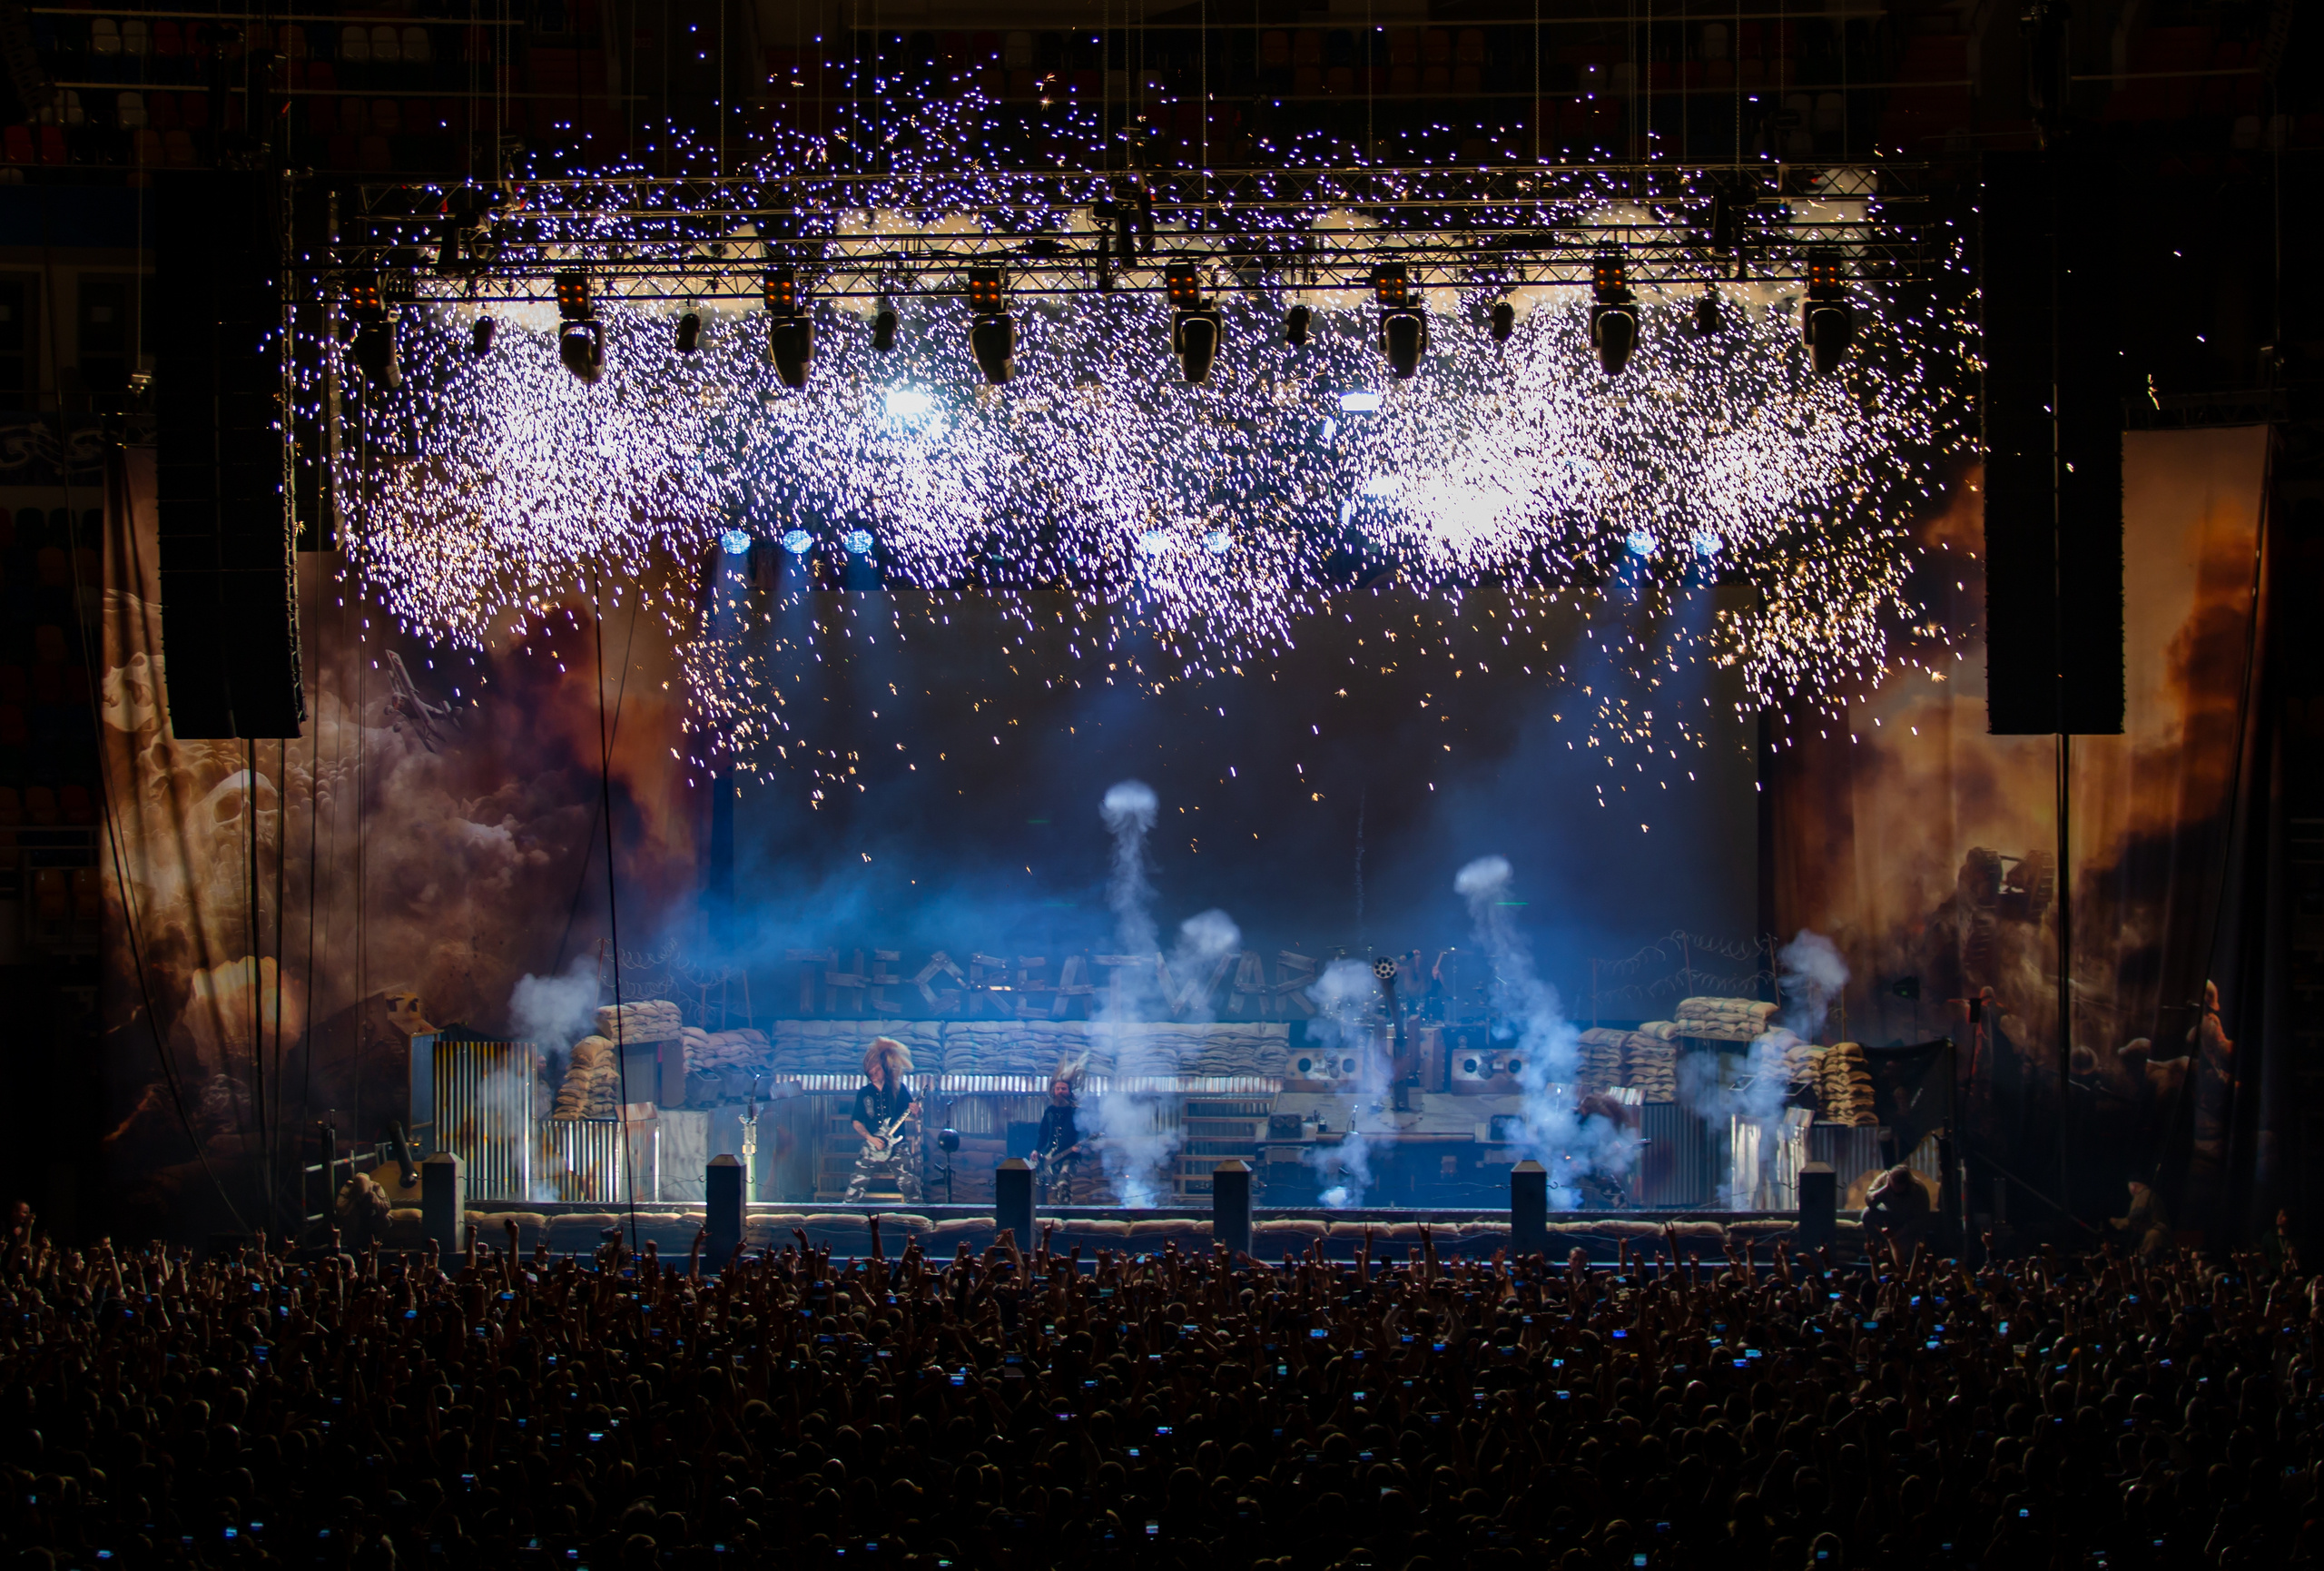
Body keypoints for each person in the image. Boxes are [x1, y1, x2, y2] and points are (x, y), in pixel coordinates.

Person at [843, 1035, 920, 1202]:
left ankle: (919, 1218)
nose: (873, 1073)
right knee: (855, 1186)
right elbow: (856, 1121)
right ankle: (845, 1215)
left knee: (910, 1186)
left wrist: (916, 1110)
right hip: (872, 1144)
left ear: (884, 1068)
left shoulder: (899, 1089)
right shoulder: (864, 1093)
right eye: (870, 1071)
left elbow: (915, 1113)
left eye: (876, 1069)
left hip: (897, 1145)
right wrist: (871, 1138)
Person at [1035, 1056, 1087, 1204]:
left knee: (1063, 1183)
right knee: (1056, 1188)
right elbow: (1043, 1133)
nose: (1060, 1091)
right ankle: (1059, 1216)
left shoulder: (1076, 1111)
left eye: (1063, 1089)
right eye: (1058, 1089)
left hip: (1070, 1156)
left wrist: (1080, 1145)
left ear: (1069, 1091)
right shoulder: (1050, 1111)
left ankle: (1065, 1218)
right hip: (1052, 1155)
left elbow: (1084, 1132)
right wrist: (1036, 1150)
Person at [1859, 1161, 1930, 1252]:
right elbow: (1869, 1200)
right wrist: (1885, 1188)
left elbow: (1920, 1220)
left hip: (1908, 1227)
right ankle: (1878, 1249)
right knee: (1867, 1214)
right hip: (1889, 1219)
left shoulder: (1918, 1190)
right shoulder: (1884, 1178)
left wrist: (1899, 1234)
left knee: (1903, 1253)